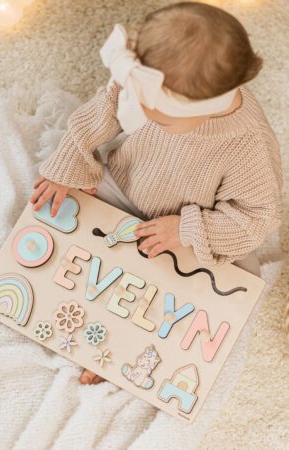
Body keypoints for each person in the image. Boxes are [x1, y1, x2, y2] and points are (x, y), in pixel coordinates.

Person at [31, 2, 283, 385]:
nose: (143, 112)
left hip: (192, 225)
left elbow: (257, 217)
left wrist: (185, 230)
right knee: (72, 231)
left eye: (158, 117)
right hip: (127, 184)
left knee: (212, 289)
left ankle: (123, 348)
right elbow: (102, 112)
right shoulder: (145, 79)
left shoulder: (248, 145)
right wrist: (68, 165)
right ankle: (84, 323)